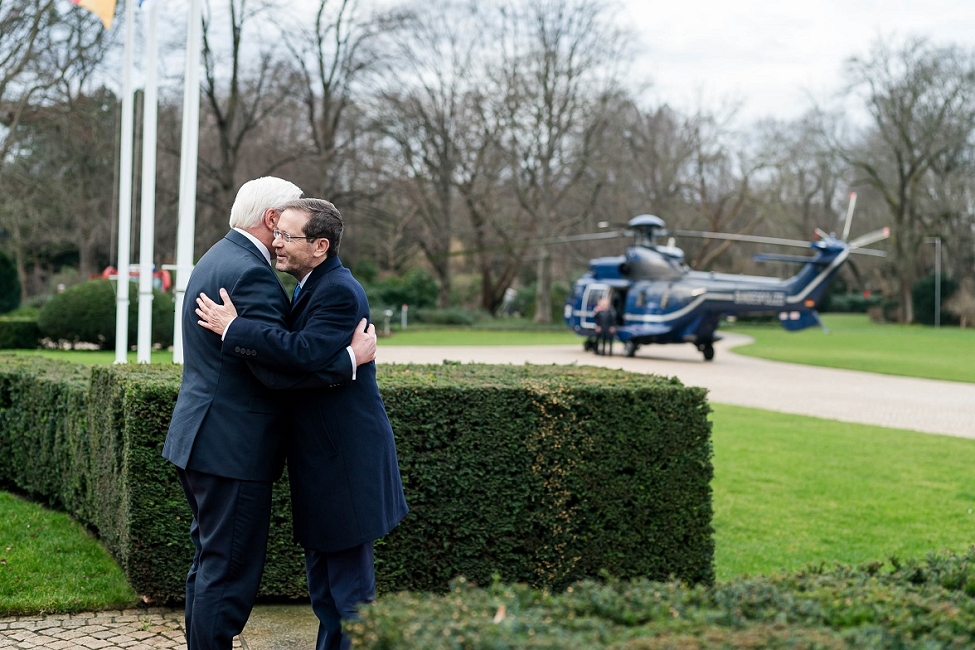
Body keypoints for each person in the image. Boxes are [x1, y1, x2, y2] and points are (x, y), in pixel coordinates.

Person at [162, 178, 377, 650]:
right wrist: (348, 360)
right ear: (273, 218)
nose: (282, 238)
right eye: (285, 222)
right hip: (232, 447)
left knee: (211, 566)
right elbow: (276, 373)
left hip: (202, 439)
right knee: (228, 574)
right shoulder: (251, 273)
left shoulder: (217, 256)